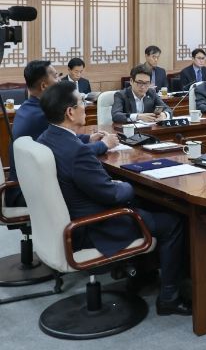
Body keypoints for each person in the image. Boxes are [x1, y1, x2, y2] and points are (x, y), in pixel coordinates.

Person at [37, 82, 190, 316]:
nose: (85, 106)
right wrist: (128, 184)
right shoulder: (77, 152)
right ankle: (169, 298)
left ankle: (141, 277)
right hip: (95, 227)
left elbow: (76, 155)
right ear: (70, 112)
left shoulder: (47, 138)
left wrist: (91, 144)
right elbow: (112, 194)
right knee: (173, 221)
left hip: (71, 219)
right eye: (81, 102)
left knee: (150, 205)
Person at [6, 62, 117, 207]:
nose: (60, 80)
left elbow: (60, 142)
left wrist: (89, 138)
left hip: (24, 184)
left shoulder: (27, 107)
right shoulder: (41, 115)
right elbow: (67, 154)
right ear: (44, 86)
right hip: (28, 192)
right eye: (56, 76)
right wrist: (103, 144)